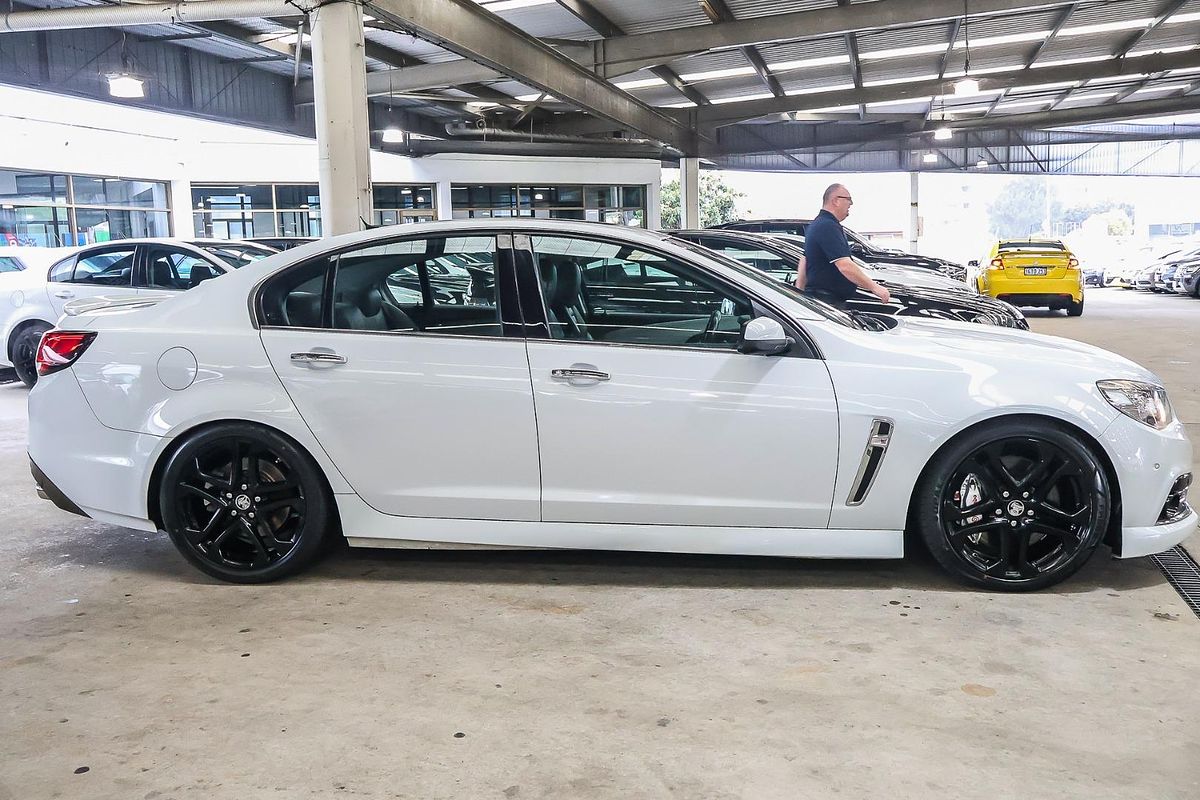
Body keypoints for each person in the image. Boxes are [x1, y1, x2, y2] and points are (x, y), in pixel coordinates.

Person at [794, 183, 890, 308]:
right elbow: (844, 265)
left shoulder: (817, 224)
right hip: (827, 301)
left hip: (821, 300)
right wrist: (875, 287)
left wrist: (799, 293)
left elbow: (805, 260)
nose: (851, 204)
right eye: (848, 199)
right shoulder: (827, 226)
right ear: (836, 201)